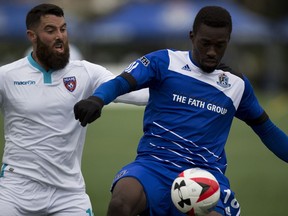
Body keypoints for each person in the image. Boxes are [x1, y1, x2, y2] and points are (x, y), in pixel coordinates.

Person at [74, 5, 288, 216]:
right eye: (205, 44)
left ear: (228, 42)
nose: (212, 52)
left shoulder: (236, 85)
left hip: (205, 176)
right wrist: (97, 99)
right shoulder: (164, 62)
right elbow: (122, 82)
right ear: (192, 36)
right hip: (154, 165)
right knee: (122, 200)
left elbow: (266, 129)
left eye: (219, 45)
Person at [0, 3, 148, 216]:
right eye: (50, 30)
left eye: (63, 28)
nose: (60, 36)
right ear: (32, 36)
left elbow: (137, 93)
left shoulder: (86, 72)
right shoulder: (7, 76)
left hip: (68, 194)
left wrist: (184, 85)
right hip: (16, 191)